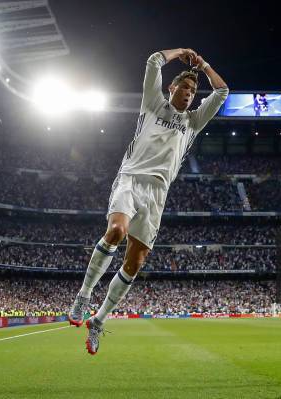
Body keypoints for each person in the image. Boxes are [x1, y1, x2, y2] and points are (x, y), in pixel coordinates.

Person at [67, 48, 229, 355]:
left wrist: (204, 66)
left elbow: (222, 90)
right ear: (172, 88)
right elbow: (154, 60)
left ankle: (99, 321)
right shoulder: (153, 105)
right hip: (131, 179)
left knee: (136, 262)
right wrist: (182, 52)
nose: (190, 94)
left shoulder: (193, 123)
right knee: (116, 231)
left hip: (158, 194)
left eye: (193, 91)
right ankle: (84, 294)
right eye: (185, 87)